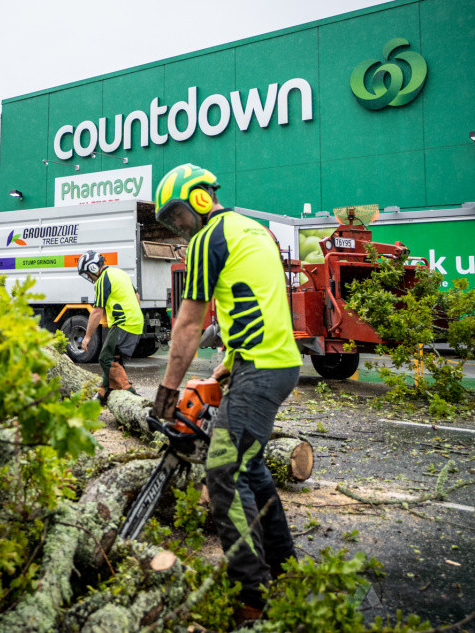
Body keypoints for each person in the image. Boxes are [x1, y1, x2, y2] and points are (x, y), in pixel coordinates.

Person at [151, 163, 301, 621]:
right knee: (251, 468)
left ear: (199, 198)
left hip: (262, 369)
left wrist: (168, 391)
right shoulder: (254, 231)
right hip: (277, 363)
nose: (177, 226)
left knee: (223, 470)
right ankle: (286, 568)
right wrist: (229, 366)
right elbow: (257, 303)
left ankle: (251, 597)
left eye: (177, 214)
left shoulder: (207, 239)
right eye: (170, 221)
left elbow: (189, 322)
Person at [77, 250, 144, 405]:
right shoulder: (119, 273)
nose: (89, 277)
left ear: (93, 268)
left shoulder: (102, 280)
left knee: (105, 358)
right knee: (114, 358)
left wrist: (87, 337)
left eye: (88, 273)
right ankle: (103, 394)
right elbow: (137, 295)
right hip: (135, 321)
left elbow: (97, 310)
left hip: (123, 323)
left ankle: (131, 395)